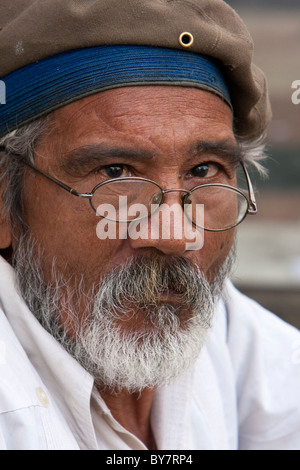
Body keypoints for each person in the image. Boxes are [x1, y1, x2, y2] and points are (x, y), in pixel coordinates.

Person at [0, 0, 299, 451]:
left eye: (203, 171)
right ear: (6, 203)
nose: (175, 236)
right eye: (116, 172)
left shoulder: (228, 334)